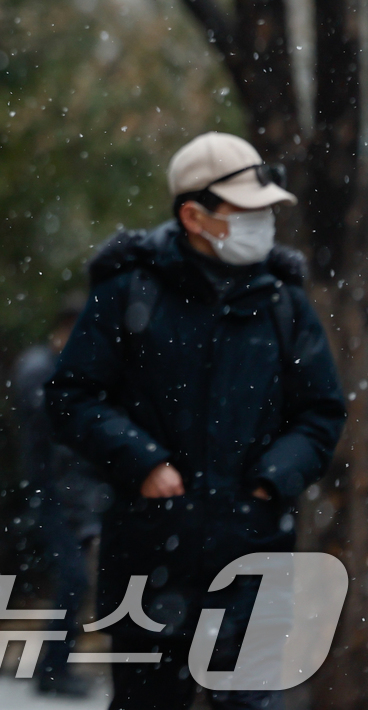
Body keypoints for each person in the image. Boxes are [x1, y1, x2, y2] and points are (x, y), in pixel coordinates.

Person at [46, 132, 346, 710]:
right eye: (248, 211)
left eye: (267, 211)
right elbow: (71, 397)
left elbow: (321, 412)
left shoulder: (283, 301)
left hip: (255, 552)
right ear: (193, 215)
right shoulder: (128, 290)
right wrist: (145, 462)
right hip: (150, 558)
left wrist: (269, 481)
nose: (264, 224)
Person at [12, 297, 106, 698]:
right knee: (72, 580)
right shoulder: (40, 369)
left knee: (74, 583)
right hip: (50, 494)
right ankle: (52, 669)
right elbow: (55, 429)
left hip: (73, 498)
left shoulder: (68, 370)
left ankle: (54, 667)